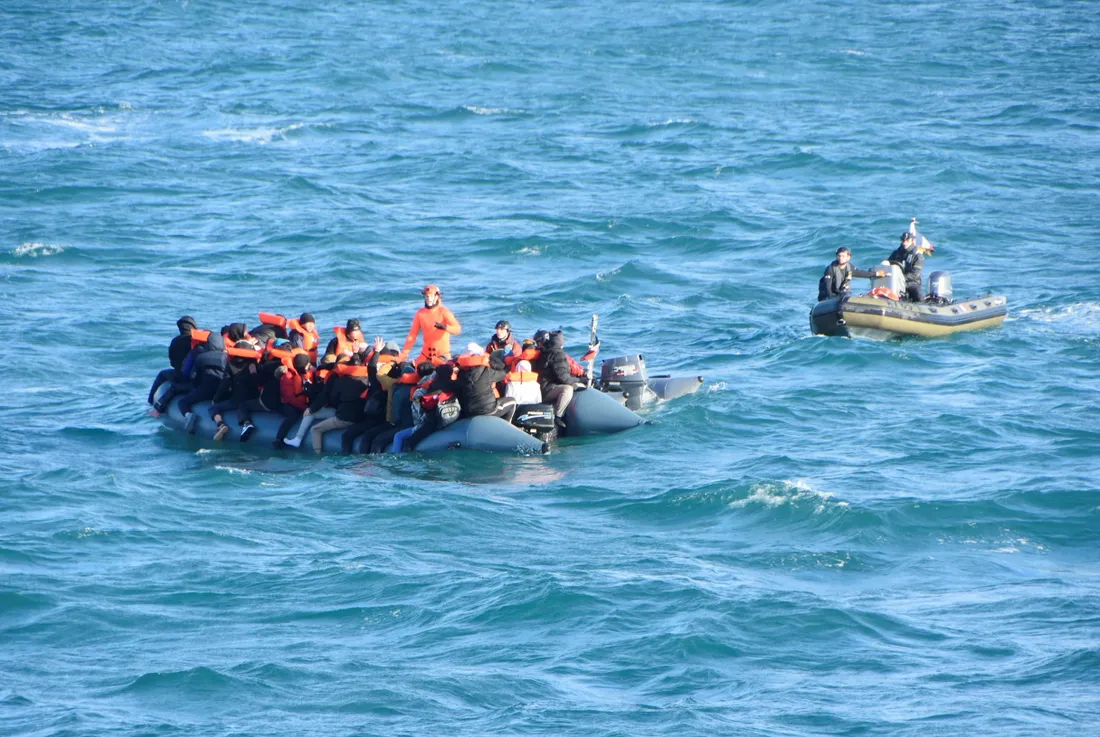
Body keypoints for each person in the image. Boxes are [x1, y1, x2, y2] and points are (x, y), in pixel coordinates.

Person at [208, 341, 263, 441]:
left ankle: (221, 424)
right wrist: (254, 373)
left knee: (212, 408)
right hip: (254, 398)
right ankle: (246, 424)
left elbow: (224, 384)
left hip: (236, 400)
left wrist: (216, 399)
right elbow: (259, 383)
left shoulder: (231, 364)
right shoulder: (253, 364)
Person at [147, 315, 198, 416]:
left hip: (179, 376)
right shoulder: (198, 342)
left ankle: (151, 401)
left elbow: (172, 362)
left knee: (162, 374)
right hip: (196, 377)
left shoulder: (175, 341)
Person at [398, 284, 461, 365]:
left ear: (437, 297)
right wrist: (404, 353)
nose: (429, 299)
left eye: (431, 296)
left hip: (442, 356)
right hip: (425, 355)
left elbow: (458, 329)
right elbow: (412, 335)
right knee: (407, 369)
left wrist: (445, 327)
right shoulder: (420, 314)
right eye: (427, 296)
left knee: (438, 371)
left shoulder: (444, 312)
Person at [454, 343, 516, 424]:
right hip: (489, 410)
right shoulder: (486, 371)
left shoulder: (461, 374)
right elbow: (503, 373)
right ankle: (505, 427)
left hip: (469, 412)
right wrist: (490, 358)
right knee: (512, 402)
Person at [177, 332, 227, 432]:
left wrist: (196, 389)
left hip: (205, 390)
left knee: (182, 402)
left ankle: (188, 415)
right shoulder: (226, 357)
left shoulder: (201, 357)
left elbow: (195, 377)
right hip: (223, 391)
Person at [533, 330, 585, 424]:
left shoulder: (545, 352)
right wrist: (580, 380)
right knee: (567, 389)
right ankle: (558, 416)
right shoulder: (557, 353)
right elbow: (562, 377)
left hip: (542, 387)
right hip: (547, 389)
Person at [887, 231, 931, 302]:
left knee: (916, 292)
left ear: (912, 241)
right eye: (903, 240)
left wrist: (900, 278)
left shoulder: (917, 256)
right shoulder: (896, 253)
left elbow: (915, 275)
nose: (904, 243)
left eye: (907, 241)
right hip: (896, 281)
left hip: (912, 282)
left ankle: (921, 305)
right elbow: (887, 264)